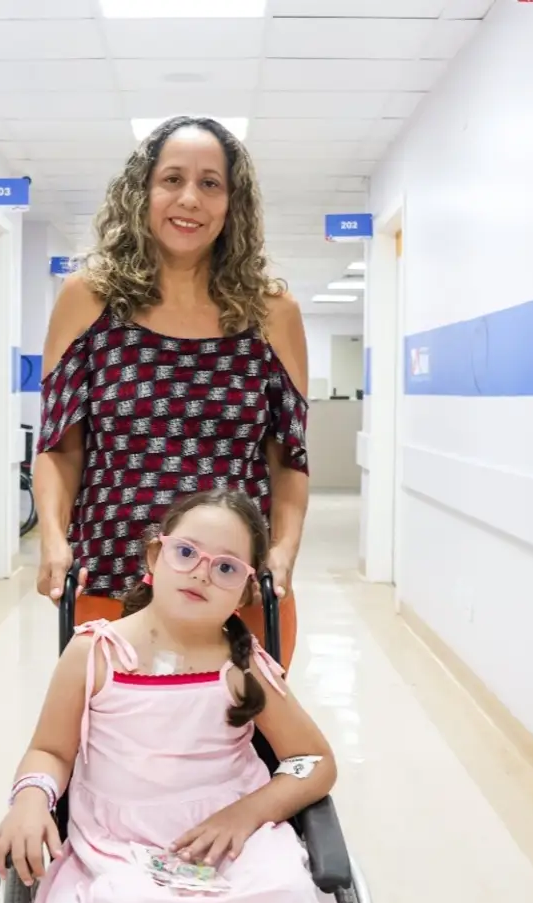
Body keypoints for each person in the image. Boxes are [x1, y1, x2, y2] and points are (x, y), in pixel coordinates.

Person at [0, 489, 344, 903]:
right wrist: (30, 800)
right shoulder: (94, 653)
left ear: (245, 591)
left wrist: (247, 814)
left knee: (285, 896)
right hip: (119, 842)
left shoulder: (243, 665)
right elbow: (51, 751)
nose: (201, 574)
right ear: (155, 557)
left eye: (226, 568)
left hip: (234, 837)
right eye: (186, 553)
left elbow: (314, 759)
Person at [33, 115, 311, 669]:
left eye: (210, 183)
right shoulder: (88, 299)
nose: (190, 199)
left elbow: (289, 459)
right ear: (143, 190)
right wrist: (52, 539)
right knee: (115, 725)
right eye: (172, 179)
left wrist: (283, 553)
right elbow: (60, 447)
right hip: (113, 578)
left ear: (232, 203)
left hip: (235, 588)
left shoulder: (272, 313)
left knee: (240, 725)